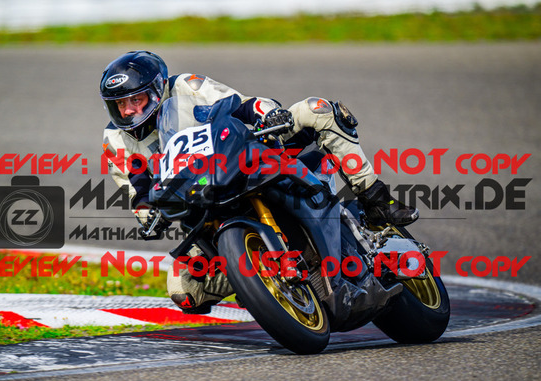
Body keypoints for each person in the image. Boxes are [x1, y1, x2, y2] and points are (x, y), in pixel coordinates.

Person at [99, 50, 418, 313]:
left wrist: (269, 114)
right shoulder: (115, 140)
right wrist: (148, 215)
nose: (128, 111)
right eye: (120, 105)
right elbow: (137, 190)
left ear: (156, 90)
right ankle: (257, 282)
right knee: (184, 289)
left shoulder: (185, 86)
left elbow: (241, 104)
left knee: (317, 110)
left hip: (242, 156)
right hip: (201, 202)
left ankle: (376, 200)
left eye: (135, 100)